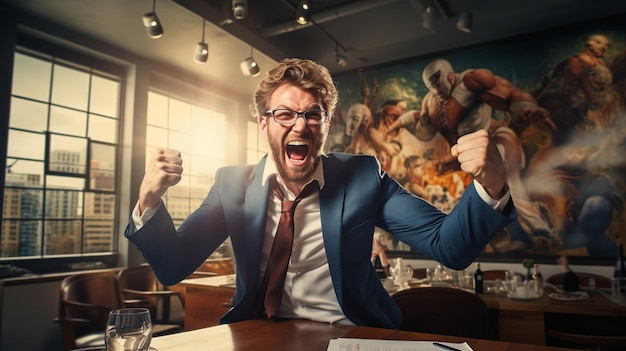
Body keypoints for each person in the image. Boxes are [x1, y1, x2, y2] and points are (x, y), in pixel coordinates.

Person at [125, 58, 515, 329]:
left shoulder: (363, 177)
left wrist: (492, 185)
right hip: (263, 334)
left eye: (314, 114)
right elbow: (173, 266)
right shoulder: (232, 185)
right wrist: (148, 200)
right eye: (285, 114)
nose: (301, 126)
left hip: (352, 334)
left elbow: (449, 246)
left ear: (326, 125)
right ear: (264, 124)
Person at [387, 58, 557, 252]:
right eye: (430, 84)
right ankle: (518, 231)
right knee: (482, 197)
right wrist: (397, 126)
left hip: (496, 140)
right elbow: (423, 130)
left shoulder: (472, 81)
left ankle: (540, 229)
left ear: (450, 76)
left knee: (502, 178)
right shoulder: (430, 102)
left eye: (438, 80)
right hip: (470, 159)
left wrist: (528, 110)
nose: (436, 88)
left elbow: (511, 95)